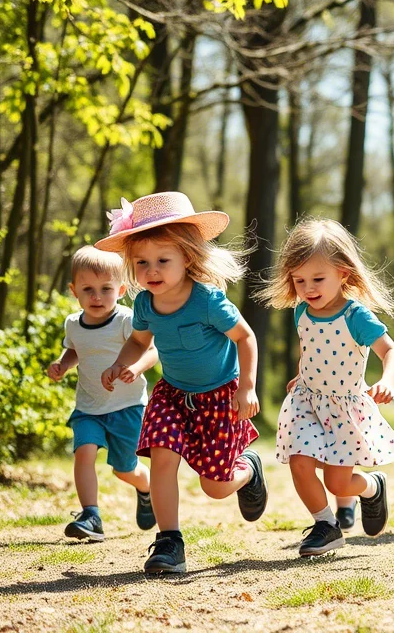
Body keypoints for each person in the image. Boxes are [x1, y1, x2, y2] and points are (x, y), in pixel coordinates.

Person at [97, 192, 267, 574]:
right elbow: (139, 341)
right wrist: (119, 363)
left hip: (220, 397)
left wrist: (248, 387)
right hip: (172, 396)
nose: (151, 271)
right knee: (162, 456)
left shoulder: (207, 301)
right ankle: (169, 540)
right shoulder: (143, 305)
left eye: (162, 260)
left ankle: (249, 469)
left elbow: (246, 337)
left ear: (187, 258)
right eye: (142, 263)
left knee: (215, 487)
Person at [259, 218, 394, 556]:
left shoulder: (357, 316)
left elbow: (391, 351)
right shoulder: (301, 313)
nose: (308, 288)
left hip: (344, 407)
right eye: (299, 280)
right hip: (307, 402)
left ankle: (370, 488)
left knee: (338, 482)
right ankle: (325, 524)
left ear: (344, 273)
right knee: (299, 460)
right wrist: (301, 374)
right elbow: (308, 349)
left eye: (318, 278)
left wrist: (387, 380)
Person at [47, 246, 159, 542]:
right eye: (88, 289)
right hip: (88, 407)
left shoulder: (126, 320)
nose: (97, 297)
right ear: (74, 291)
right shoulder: (73, 323)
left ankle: (145, 487)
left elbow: (151, 351)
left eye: (105, 289)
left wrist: (134, 368)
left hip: (127, 406)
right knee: (83, 453)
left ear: (121, 289)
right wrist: (63, 364)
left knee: (125, 470)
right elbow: (74, 349)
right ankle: (91, 515)